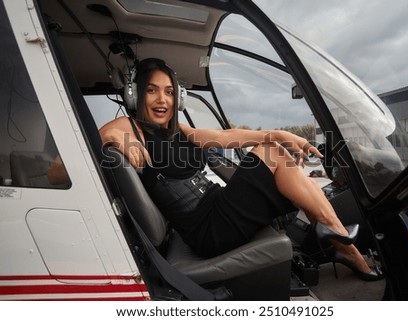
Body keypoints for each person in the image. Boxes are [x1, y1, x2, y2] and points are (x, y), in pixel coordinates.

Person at [99, 58, 382, 281]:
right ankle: (342, 241)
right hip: (207, 229)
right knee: (273, 156)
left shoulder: (180, 131)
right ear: (135, 96)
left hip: (218, 206)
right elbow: (83, 148)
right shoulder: (130, 127)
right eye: (152, 91)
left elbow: (226, 137)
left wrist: (284, 135)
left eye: (169, 92)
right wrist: (111, 138)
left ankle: (338, 238)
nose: (162, 100)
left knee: (283, 164)